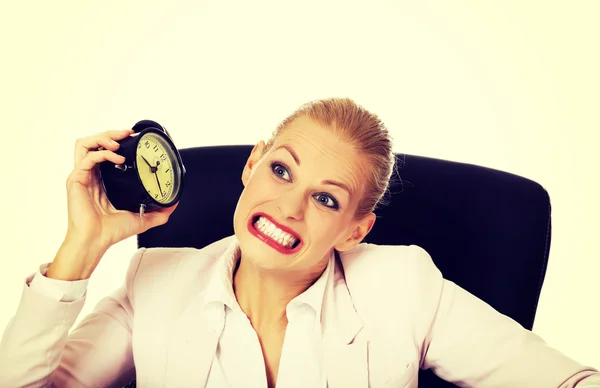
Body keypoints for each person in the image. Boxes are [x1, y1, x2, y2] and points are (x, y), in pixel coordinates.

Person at [0, 98, 598, 388]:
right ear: (253, 165)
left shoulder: (403, 286)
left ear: (356, 230)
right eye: (282, 171)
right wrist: (81, 246)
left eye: (327, 199)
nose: (289, 207)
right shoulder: (153, 282)